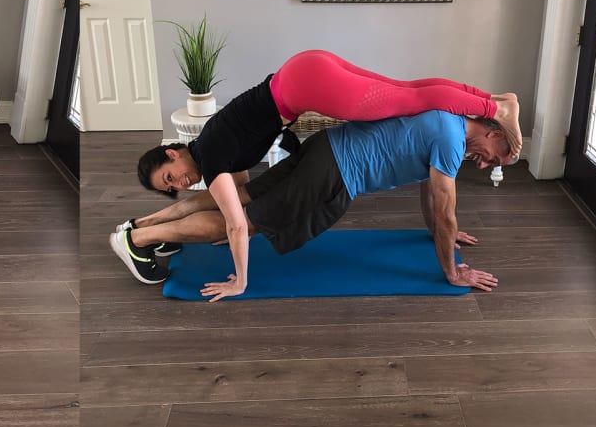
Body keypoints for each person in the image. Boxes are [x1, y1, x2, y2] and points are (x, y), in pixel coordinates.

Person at [111, 110, 515, 300]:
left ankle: (136, 224)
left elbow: (431, 195)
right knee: (244, 222)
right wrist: (452, 271)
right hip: (334, 171)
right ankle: (141, 238)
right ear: (495, 133)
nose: (483, 164)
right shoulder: (452, 141)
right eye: (491, 158)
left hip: (325, 147)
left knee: (244, 195)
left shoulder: (447, 120)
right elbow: (445, 210)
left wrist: (437, 233)